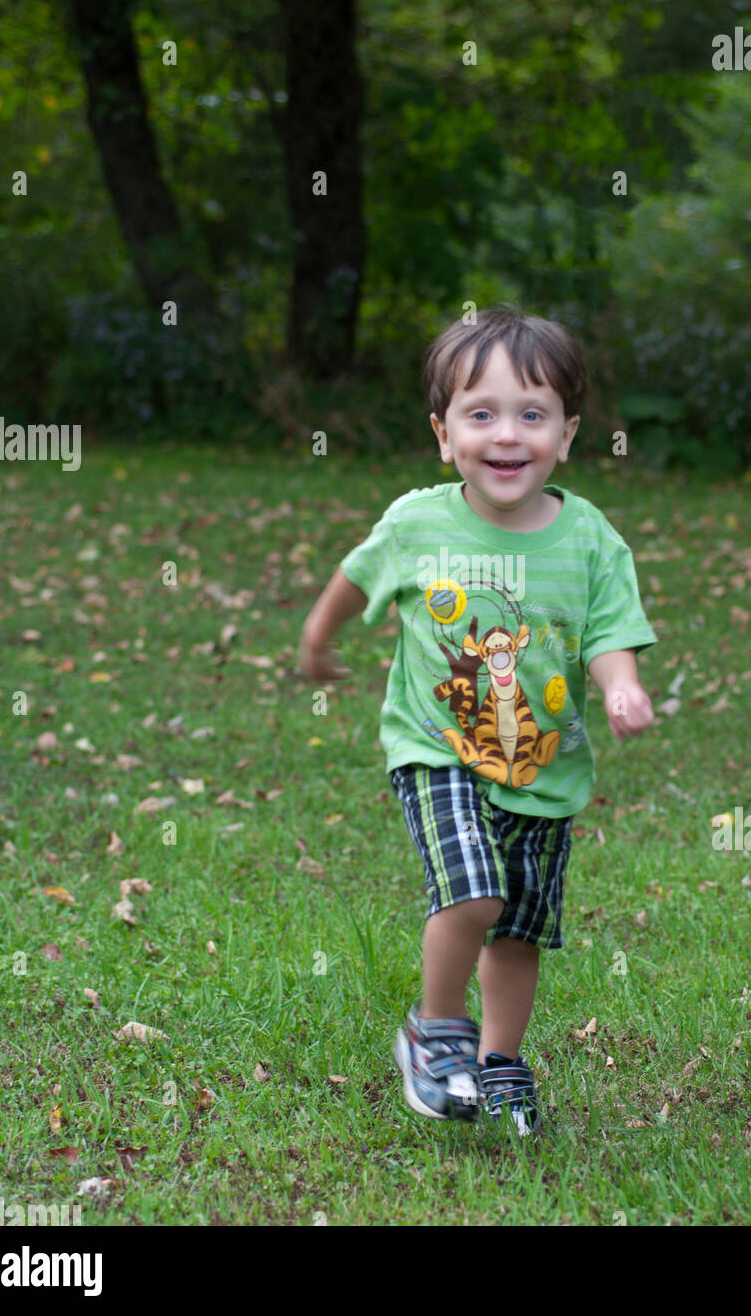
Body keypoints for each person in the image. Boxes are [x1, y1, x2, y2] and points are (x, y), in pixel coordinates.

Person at [299, 305, 657, 1138]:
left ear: (567, 435)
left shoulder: (592, 540)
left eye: (532, 415)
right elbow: (356, 580)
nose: (507, 435)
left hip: (545, 770)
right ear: (444, 432)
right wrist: (319, 638)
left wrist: (621, 687)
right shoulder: (420, 522)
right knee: (474, 889)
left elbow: (610, 633)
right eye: (482, 413)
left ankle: (499, 1064)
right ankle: (435, 1032)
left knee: (520, 929)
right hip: (436, 749)